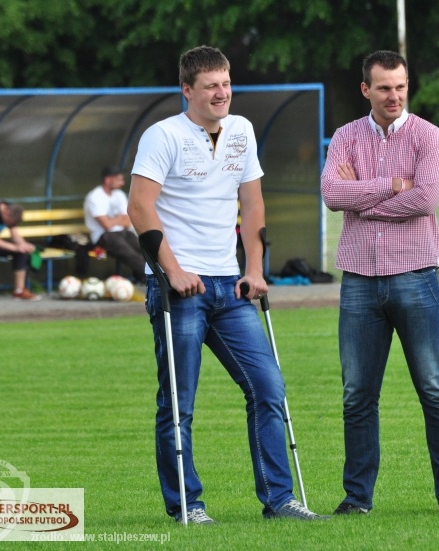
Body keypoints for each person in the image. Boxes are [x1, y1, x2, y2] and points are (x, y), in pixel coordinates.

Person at [128, 45, 328, 524]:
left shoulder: (242, 130)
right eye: (211, 86)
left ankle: (280, 500)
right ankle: (188, 506)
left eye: (226, 83)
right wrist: (173, 270)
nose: (222, 93)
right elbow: (139, 206)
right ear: (187, 90)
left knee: (268, 388)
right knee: (179, 403)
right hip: (180, 290)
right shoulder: (163, 136)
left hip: (230, 287)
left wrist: (254, 269)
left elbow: (253, 204)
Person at [320, 50, 439, 515]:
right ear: (366, 89)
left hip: (416, 276)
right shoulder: (345, 137)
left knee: (435, 390)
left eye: (400, 86)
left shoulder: (427, 135)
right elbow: (331, 193)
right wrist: (391, 185)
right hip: (359, 281)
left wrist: (361, 200)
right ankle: (357, 498)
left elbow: (425, 200)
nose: (394, 96)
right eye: (384, 88)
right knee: (357, 396)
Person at [83, 166, 146, 283]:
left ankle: (147, 277)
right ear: (108, 180)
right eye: (119, 179)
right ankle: (152, 278)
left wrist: (114, 220)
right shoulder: (95, 197)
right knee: (130, 253)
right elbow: (106, 225)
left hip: (122, 232)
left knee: (144, 249)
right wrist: (119, 219)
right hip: (103, 236)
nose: (122, 183)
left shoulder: (119, 195)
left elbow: (128, 220)